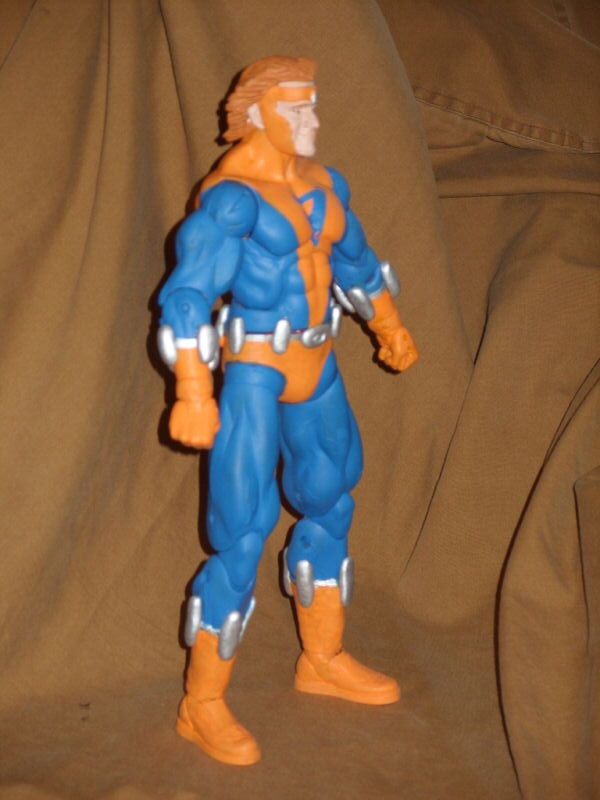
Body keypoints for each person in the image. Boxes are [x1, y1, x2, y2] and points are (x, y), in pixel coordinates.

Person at [157, 55, 418, 766]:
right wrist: (192, 389)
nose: (313, 121)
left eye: (313, 106)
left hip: (318, 364)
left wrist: (388, 324)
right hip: (254, 373)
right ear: (258, 114)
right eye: (297, 109)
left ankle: (322, 659)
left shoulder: (326, 186)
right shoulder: (232, 200)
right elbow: (188, 294)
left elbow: (357, 263)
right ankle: (201, 703)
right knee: (242, 534)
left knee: (331, 503)